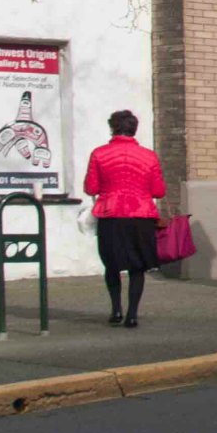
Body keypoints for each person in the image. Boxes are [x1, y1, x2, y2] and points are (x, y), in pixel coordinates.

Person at [83, 111, 166, 328]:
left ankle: (116, 310)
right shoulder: (149, 156)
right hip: (141, 214)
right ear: (134, 129)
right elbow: (158, 191)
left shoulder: (99, 154)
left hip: (111, 214)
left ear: (113, 127)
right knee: (137, 267)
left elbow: (91, 187)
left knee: (111, 264)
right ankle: (132, 314)